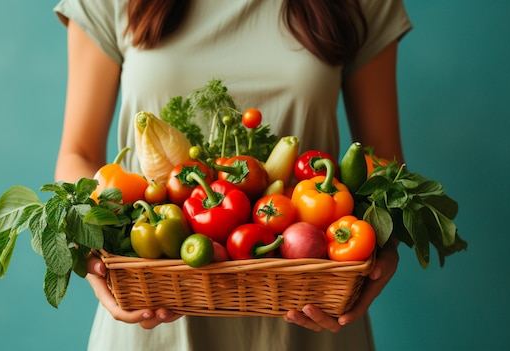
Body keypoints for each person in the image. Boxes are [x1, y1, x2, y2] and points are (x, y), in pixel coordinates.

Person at [53, 0, 412, 350]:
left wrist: (386, 241)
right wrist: (91, 252)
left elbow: (384, 164)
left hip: (312, 309)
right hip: (154, 321)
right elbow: (78, 154)